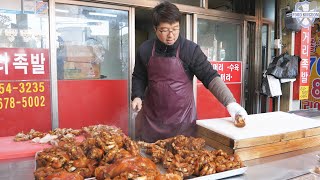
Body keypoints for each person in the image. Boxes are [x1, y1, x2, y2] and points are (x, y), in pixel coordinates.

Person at [131, 1, 248, 142]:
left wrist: (230, 103)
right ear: (155, 29)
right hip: (152, 122)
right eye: (164, 30)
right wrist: (137, 96)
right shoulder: (145, 49)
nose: (171, 35)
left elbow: (210, 76)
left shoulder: (190, 50)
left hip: (183, 123)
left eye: (175, 28)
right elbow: (139, 76)